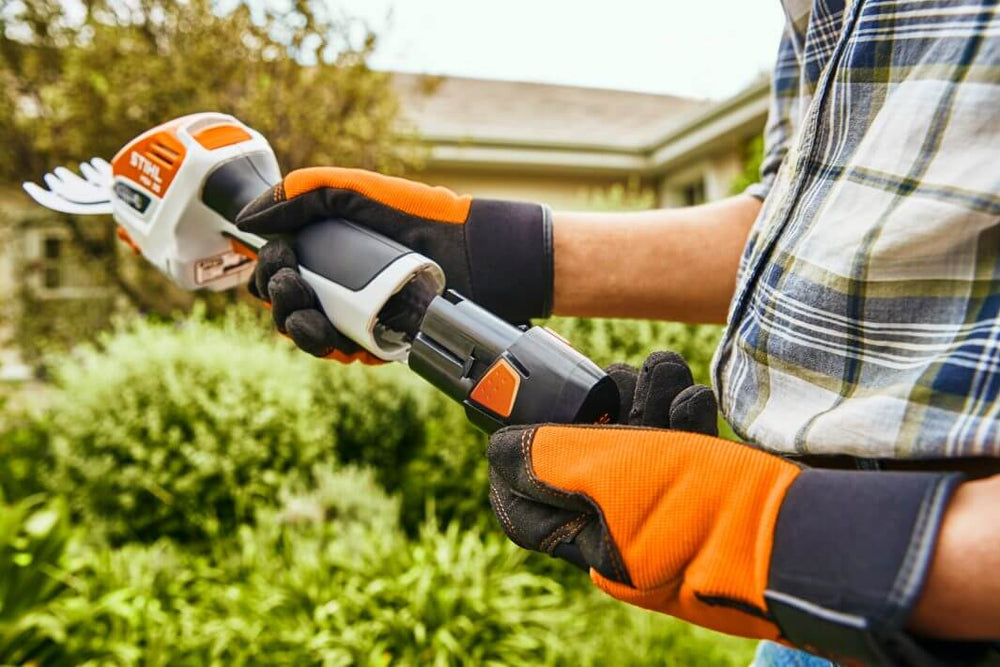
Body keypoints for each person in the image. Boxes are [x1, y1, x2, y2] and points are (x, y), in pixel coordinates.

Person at [236, 1, 1000, 663]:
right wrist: (491, 252)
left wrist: (763, 531)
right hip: (816, 626)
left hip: (905, 590)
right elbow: (814, 225)